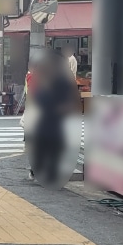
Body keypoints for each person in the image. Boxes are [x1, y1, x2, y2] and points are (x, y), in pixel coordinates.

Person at [28, 49, 82, 188]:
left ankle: (51, 175)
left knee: (56, 147)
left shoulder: (65, 81)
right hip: (45, 118)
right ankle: (38, 170)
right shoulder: (44, 78)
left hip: (59, 120)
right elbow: (38, 98)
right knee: (42, 146)